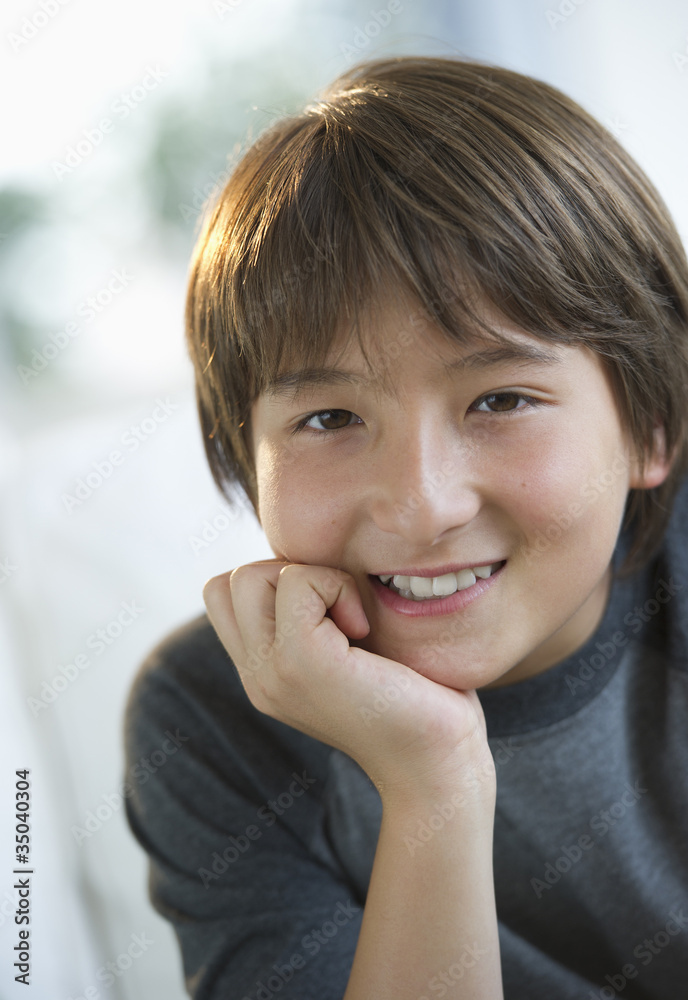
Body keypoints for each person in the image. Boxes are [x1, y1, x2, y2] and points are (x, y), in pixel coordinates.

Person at [123, 56, 688, 999]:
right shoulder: (212, 723)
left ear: (653, 425)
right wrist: (434, 786)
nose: (421, 505)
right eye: (330, 420)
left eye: (502, 398)